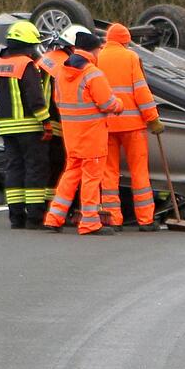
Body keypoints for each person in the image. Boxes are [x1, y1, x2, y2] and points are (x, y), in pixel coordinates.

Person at [44, 31, 124, 235]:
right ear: (93, 50)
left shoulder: (62, 72)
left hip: (72, 135)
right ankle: (89, 222)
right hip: (92, 137)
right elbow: (107, 103)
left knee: (70, 175)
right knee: (91, 179)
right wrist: (119, 104)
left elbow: (58, 101)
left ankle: (54, 217)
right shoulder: (92, 73)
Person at [0, 20, 51, 229]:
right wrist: (45, 121)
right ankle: (35, 218)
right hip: (29, 126)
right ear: (28, 44)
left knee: (14, 169)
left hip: (6, 126)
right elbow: (35, 98)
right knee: (35, 169)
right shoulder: (26, 65)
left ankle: (16, 217)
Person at [98, 23, 165, 232]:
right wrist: (152, 119)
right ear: (125, 40)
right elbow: (141, 91)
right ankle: (145, 219)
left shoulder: (97, 57)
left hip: (106, 124)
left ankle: (112, 219)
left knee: (108, 173)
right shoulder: (131, 58)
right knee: (139, 172)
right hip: (133, 125)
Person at [36, 26, 84, 203]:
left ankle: (44, 207)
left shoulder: (48, 58)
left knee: (44, 166)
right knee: (57, 165)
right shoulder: (65, 64)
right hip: (53, 121)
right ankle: (52, 205)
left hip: (39, 119)